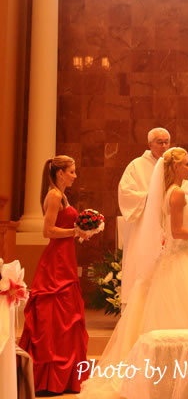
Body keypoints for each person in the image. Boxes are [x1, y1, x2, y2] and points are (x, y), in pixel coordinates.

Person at [80, 148, 188, 399]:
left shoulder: (169, 192)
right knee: (184, 316)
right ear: (175, 167)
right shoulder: (175, 193)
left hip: (180, 257)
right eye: (186, 164)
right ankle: (179, 376)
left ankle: (185, 375)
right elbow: (177, 232)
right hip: (181, 256)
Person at [19, 155, 89, 395]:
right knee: (56, 316)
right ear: (60, 173)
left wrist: (79, 232)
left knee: (67, 316)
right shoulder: (54, 195)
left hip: (65, 257)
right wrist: (75, 230)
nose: (75, 175)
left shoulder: (61, 195)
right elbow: (47, 231)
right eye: (72, 171)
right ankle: (49, 379)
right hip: (56, 262)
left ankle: (65, 376)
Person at [118, 127, 188, 305]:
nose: (164, 145)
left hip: (170, 224)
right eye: (160, 142)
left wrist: (172, 200)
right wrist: (152, 198)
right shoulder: (136, 166)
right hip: (144, 225)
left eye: (167, 142)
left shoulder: (177, 165)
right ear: (149, 144)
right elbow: (126, 193)